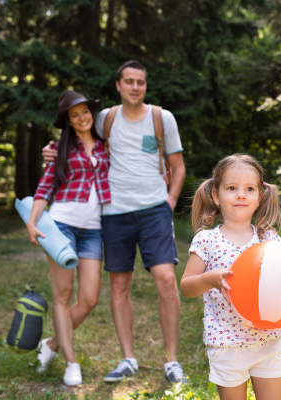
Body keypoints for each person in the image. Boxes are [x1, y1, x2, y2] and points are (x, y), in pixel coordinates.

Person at [42, 60, 187, 383]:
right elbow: (76, 139)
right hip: (113, 214)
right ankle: (128, 359)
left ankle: (172, 361)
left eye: (141, 82)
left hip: (154, 212)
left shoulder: (161, 118)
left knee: (165, 279)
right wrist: (52, 151)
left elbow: (178, 167)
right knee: (119, 285)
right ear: (118, 85)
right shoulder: (105, 118)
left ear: (145, 86)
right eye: (129, 81)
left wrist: (170, 203)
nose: (136, 87)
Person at [180, 154, 281, 400]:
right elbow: (186, 287)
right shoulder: (207, 241)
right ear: (215, 195)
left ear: (260, 196)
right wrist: (210, 279)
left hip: (267, 341)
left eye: (249, 189)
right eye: (232, 188)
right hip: (227, 345)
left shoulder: (269, 240)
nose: (241, 195)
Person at [28, 90, 109, 386]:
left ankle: (50, 345)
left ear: (91, 113)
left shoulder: (105, 147)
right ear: (68, 121)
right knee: (63, 297)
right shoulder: (61, 150)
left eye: (84, 111)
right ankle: (71, 363)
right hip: (61, 225)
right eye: (74, 115)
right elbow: (45, 188)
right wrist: (32, 223)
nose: (81, 118)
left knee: (88, 299)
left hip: (94, 229)